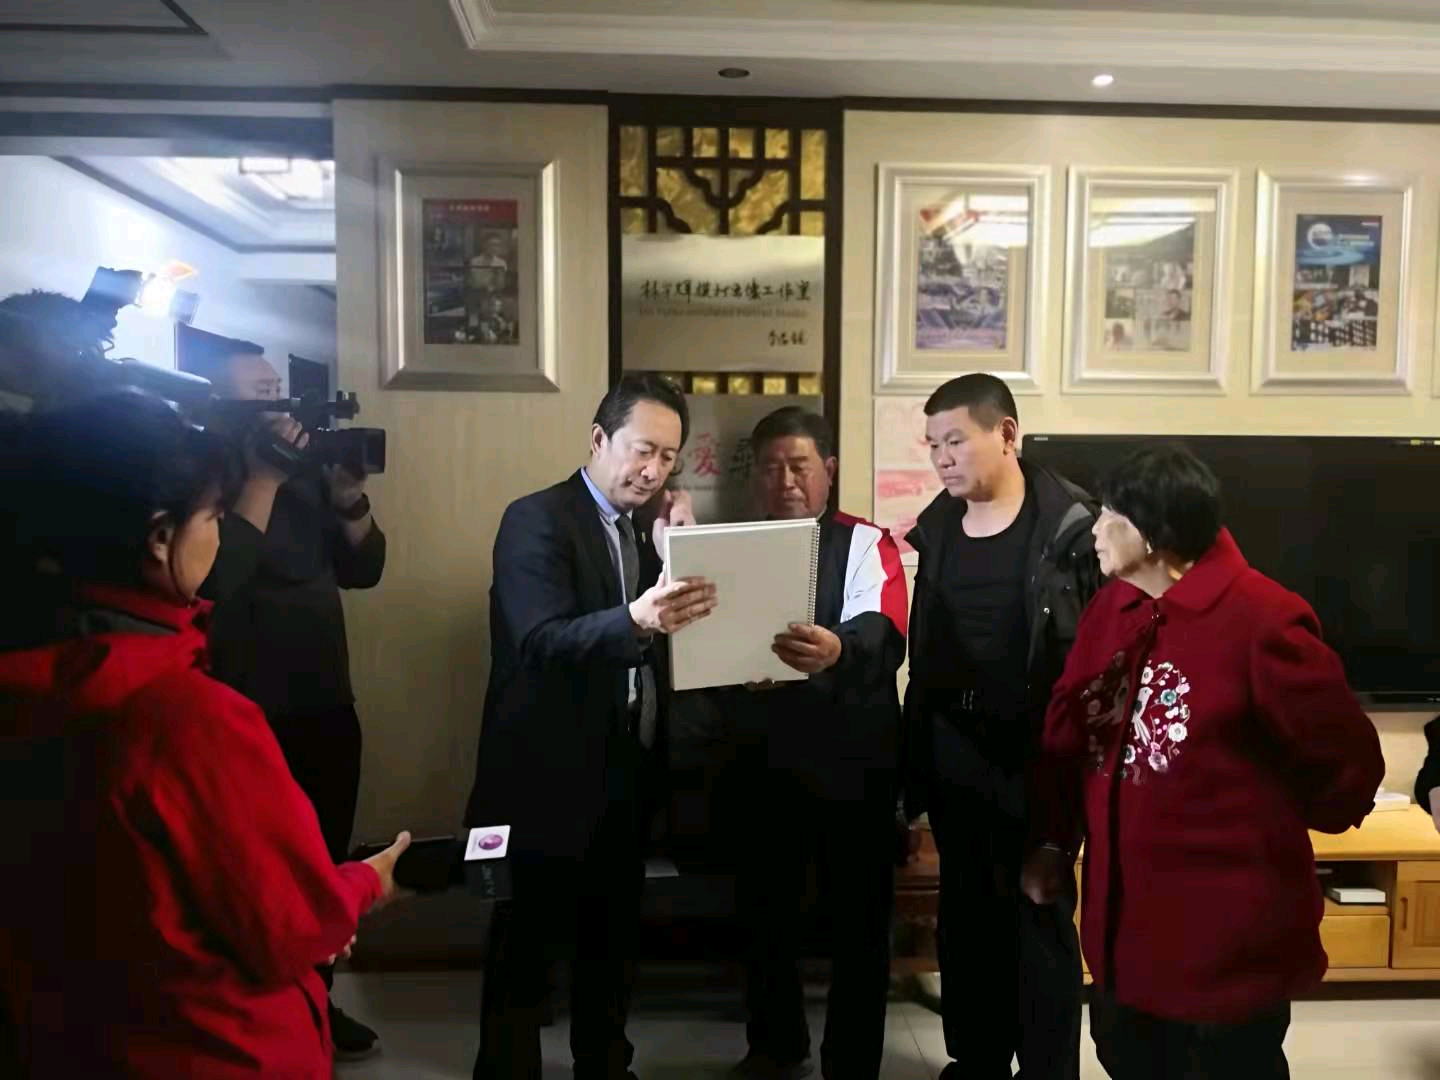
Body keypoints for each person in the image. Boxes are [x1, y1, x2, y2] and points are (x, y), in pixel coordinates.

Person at [0, 392, 410, 1078]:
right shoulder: (186, 717)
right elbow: (295, 927)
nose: (220, 532)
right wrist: (369, 883)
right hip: (208, 1046)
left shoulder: (32, 679)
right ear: (160, 537)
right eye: (215, 517)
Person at [1023, 444, 1384, 1079]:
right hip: (1124, 929)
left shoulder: (1262, 618)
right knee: (1127, 1054)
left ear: (1153, 532)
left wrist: (1270, 816)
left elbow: (1346, 761)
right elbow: (1069, 733)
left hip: (1225, 940)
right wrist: (1055, 840)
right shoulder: (1112, 606)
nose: (1094, 529)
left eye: (1108, 515)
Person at [465, 373, 717, 1080]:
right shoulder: (536, 519)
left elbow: (661, 636)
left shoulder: (640, 531)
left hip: (622, 770)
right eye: (643, 450)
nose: (654, 470)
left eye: (668, 457)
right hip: (540, 778)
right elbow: (540, 640)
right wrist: (637, 616)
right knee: (523, 948)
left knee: (612, 943)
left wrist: (677, 555)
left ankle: (606, 1065)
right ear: (600, 439)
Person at [192, 336, 388, 1059]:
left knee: (322, 859)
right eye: (257, 394)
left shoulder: (303, 473)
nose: (278, 406)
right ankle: (255, 1010)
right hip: (243, 707)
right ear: (219, 407)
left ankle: (318, 1002)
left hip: (325, 699)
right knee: (248, 871)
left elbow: (364, 569)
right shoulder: (203, 478)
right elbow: (217, 580)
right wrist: (263, 480)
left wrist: (349, 502)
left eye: (279, 390)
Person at [902, 373, 1099, 1080]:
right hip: (957, 754)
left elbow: (1097, 668)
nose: (942, 458)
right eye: (933, 445)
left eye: (955, 441)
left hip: (1040, 757)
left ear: (1007, 434)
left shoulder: (1072, 531)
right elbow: (925, 661)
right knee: (966, 921)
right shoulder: (938, 529)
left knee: (1039, 918)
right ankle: (975, 1061)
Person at [716, 407, 907, 1080]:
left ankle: (850, 1061)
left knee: (860, 921)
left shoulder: (865, 542)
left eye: (799, 466)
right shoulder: (730, 546)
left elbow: (882, 629)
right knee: (763, 913)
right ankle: (774, 1045)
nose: (786, 482)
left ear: (828, 470)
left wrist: (838, 649)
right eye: (771, 468)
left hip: (854, 760)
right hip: (760, 758)